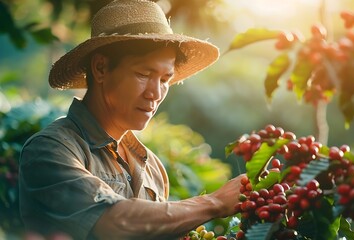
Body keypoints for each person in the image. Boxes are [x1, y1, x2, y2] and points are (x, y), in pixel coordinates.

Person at [18, 0, 243, 239]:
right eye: (144, 74)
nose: (155, 94)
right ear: (101, 68)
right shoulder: (51, 150)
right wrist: (214, 203)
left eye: (165, 80)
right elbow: (113, 221)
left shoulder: (153, 168)